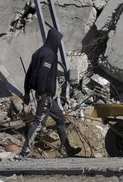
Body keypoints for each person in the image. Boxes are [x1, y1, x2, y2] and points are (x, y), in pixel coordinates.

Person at [19, 28, 81, 158]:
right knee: (38, 122)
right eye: (58, 42)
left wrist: (26, 91)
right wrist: (40, 92)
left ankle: (67, 149)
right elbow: (42, 74)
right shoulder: (50, 54)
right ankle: (24, 151)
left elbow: (29, 73)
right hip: (45, 94)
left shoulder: (38, 52)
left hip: (47, 96)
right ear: (54, 41)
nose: (59, 44)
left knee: (60, 118)